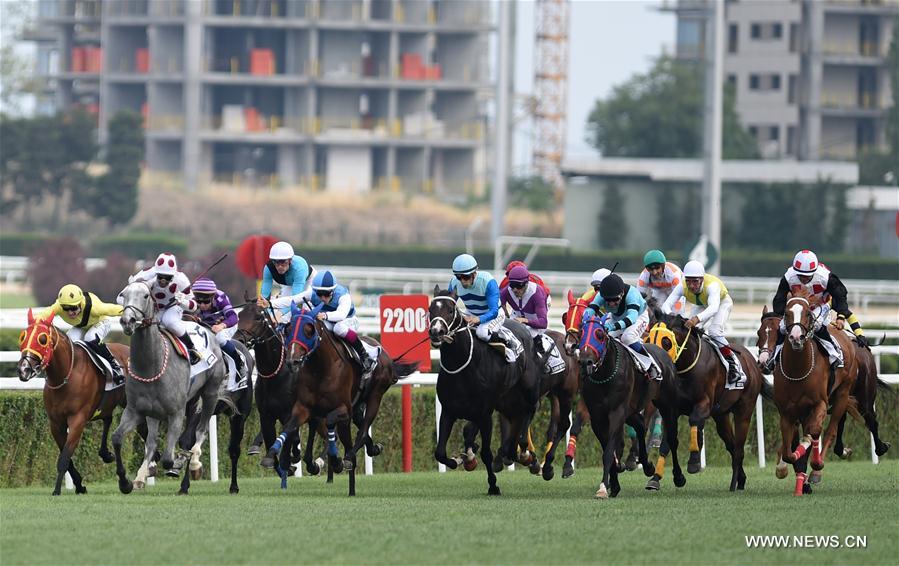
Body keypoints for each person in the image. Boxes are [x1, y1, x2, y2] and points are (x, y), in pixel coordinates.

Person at [761, 249, 868, 373]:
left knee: (816, 325)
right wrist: (780, 314)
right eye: (800, 276)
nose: (804, 279)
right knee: (783, 327)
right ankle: (775, 356)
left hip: (820, 305)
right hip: (799, 306)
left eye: (807, 276)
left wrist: (841, 317)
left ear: (814, 272)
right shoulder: (789, 276)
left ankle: (834, 353)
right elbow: (779, 297)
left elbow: (841, 294)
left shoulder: (825, 276)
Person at [258, 270, 378, 378]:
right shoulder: (312, 293)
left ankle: (364, 355)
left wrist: (325, 315)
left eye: (326, 294)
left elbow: (341, 314)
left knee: (339, 328)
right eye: (319, 293)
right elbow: (292, 300)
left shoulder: (343, 295)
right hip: (326, 319)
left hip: (347, 320)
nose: (322, 297)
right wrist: (270, 304)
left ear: (333, 290)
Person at [662, 260, 745, 388]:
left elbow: (713, 308)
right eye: (688, 281)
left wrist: (696, 319)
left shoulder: (712, 285)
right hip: (700, 304)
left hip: (721, 303)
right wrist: (672, 316)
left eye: (695, 281)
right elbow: (666, 305)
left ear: (702, 279)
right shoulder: (682, 285)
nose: (691, 285)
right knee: (689, 332)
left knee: (714, 332)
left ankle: (733, 363)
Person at [125, 252, 209, 365]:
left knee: (170, 322)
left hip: (173, 307)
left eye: (168, 278)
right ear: (155, 273)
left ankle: (192, 349)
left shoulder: (181, 279)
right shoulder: (145, 275)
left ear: (174, 275)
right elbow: (122, 296)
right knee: (142, 327)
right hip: (152, 308)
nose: (163, 281)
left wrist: (182, 301)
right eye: (160, 277)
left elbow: (194, 306)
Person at [37, 284, 125, 384]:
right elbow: (44, 314)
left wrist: (132, 311)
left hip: (101, 322)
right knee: (68, 342)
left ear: (80, 304)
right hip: (81, 326)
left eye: (73, 308)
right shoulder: (59, 306)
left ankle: (115, 367)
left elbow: (112, 309)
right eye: (66, 308)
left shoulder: (95, 308)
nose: (70, 313)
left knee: (90, 337)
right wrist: (34, 322)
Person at [448, 253, 523, 363]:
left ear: (474, 273)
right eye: (459, 277)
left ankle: (507, 338)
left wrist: (478, 319)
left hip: (494, 314)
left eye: (466, 277)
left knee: (481, 333)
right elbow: (450, 305)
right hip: (471, 312)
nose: (462, 281)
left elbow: (494, 311)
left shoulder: (488, 282)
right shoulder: (454, 283)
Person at [584, 274, 660, 380]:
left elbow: (631, 318)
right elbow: (591, 308)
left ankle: (651, 366)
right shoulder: (601, 294)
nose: (611, 304)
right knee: (604, 337)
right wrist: (585, 319)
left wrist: (612, 326)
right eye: (608, 300)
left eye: (615, 299)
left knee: (627, 337)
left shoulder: (632, 294)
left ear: (622, 293)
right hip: (616, 317)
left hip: (638, 316)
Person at [500, 265, 564, 375]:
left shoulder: (537, 293)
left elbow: (543, 323)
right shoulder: (507, 290)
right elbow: (498, 303)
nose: (515, 289)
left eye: (519, 286)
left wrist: (525, 321)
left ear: (526, 283)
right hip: (517, 316)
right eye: (512, 285)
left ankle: (547, 359)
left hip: (535, 318)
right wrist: (505, 315)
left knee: (530, 333)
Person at [191, 277, 244, 380]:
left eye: (206, 302)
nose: (202, 305)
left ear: (212, 297)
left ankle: (239, 363)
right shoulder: (191, 299)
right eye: (199, 301)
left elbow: (233, 317)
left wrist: (221, 326)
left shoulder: (220, 298)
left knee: (219, 338)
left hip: (226, 324)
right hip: (206, 325)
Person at [260, 241, 314, 323]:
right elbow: (264, 297)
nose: (279, 266)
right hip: (290, 284)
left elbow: (295, 299)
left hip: (308, 282)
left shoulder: (299, 268)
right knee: (278, 316)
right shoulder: (268, 268)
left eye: (283, 262)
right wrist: (268, 312)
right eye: (276, 262)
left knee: (305, 310)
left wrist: (279, 314)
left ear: (290, 261)